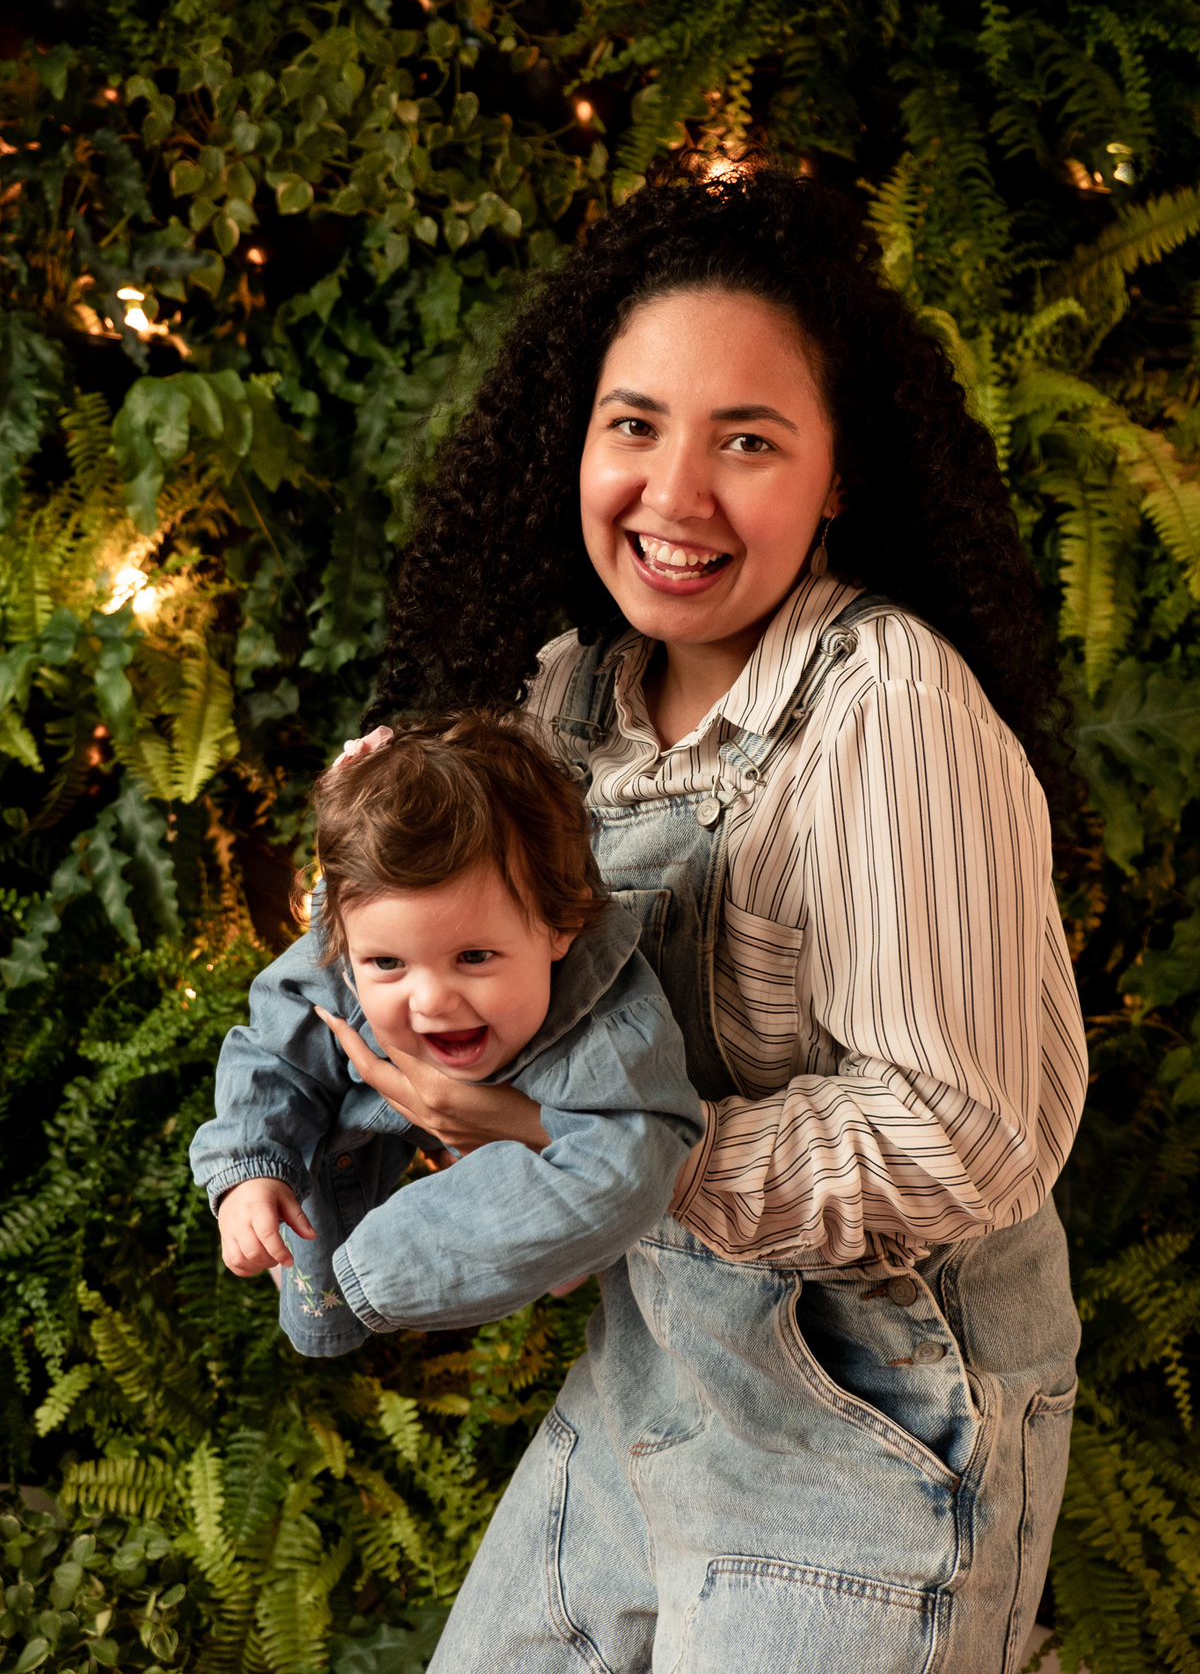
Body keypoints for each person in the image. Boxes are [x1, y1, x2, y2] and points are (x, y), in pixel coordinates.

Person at [259, 160, 1089, 1672]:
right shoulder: (566, 699)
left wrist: (603, 1150)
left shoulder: (893, 710)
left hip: (878, 1418)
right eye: (633, 425)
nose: (675, 496)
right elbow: (494, 993)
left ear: (839, 474)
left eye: (749, 441)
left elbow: (974, 1137)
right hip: (655, 1388)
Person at [189, 713, 703, 1352]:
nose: (432, 1001)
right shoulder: (349, 943)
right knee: (301, 1145)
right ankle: (342, 1278)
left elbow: (626, 1162)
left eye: (474, 957)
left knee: (599, 1185)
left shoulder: (609, 1024)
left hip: (536, 1130)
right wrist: (250, 1171)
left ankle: (528, 1247)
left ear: (559, 924)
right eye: (387, 964)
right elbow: (272, 1052)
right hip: (369, 1110)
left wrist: (388, 1264)